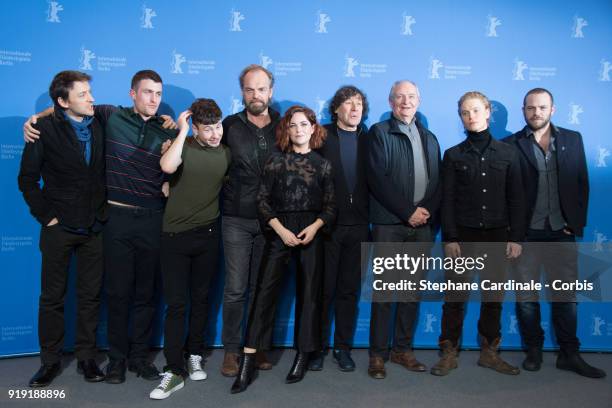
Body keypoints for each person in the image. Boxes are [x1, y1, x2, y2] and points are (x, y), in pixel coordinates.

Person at [231, 105, 336, 393]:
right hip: (279, 231)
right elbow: (262, 201)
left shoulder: (323, 165)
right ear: (286, 130)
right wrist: (280, 230)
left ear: (313, 128)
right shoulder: (275, 162)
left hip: (311, 232)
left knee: (309, 295)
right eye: (293, 125)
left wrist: (314, 228)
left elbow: (330, 206)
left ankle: (304, 354)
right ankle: (248, 359)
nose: (299, 129)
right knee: (263, 293)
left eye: (304, 124)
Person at [504, 88, 606, 378]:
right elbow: (506, 194)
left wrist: (576, 223)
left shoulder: (572, 139)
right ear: (523, 110)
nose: (536, 112)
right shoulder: (510, 144)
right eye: (531, 108)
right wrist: (513, 233)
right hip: (526, 235)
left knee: (566, 298)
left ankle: (569, 354)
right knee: (526, 299)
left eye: (542, 107)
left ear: (553, 109)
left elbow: (581, 183)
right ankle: (533, 350)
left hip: (562, 233)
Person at [18, 70, 107, 387]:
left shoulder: (99, 121)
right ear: (62, 100)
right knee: (52, 298)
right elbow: (27, 180)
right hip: (59, 228)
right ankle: (50, 362)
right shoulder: (42, 129)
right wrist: (48, 218)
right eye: (82, 94)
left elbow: (136, 114)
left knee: (90, 296)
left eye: (89, 92)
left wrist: (166, 123)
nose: (91, 98)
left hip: (94, 226)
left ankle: (87, 359)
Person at [432, 91, 524, 377]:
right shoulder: (453, 155)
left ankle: (489, 352)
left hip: (497, 237)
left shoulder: (509, 154)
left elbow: (517, 199)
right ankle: (449, 352)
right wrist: (450, 238)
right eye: (464, 112)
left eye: (475, 111)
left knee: (493, 297)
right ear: (460, 116)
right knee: (455, 297)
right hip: (463, 239)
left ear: (487, 112)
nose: (470, 117)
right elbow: (446, 200)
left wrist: (515, 238)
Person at [149, 99, 232, 399]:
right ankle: (174, 369)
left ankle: (194, 352)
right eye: (207, 129)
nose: (214, 134)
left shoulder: (226, 154)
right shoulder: (181, 146)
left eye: (218, 127)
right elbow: (167, 166)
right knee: (176, 304)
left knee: (200, 300)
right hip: (174, 237)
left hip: (208, 235)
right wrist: (182, 131)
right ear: (195, 128)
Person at [364, 80, 441, 379]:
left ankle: (402, 350)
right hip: (388, 224)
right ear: (390, 101)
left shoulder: (430, 137)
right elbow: (377, 178)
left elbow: (438, 181)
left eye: (410, 97)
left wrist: (426, 212)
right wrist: (407, 211)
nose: (405, 102)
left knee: (410, 292)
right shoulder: (379, 133)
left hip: (422, 226)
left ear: (419, 101)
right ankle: (377, 355)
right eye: (399, 97)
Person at [220, 64, 279, 376]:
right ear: (242, 92)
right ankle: (231, 351)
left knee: (263, 288)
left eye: (261, 89)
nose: (255, 95)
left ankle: (256, 347)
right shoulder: (229, 125)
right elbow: (202, 147)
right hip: (236, 219)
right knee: (236, 288)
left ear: (271, 91)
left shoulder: (283, 125)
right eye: (249, 89)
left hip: (272, 223)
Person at [309, 85, 369, 372]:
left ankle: (342, 348)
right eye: (348, 103)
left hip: (359, 228)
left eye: (358, 103)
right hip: (327, 227)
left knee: (348, 292)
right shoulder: (321, 136)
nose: (355, 108)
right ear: (336, 109)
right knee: (324, 291)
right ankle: (317, 348)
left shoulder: (370, 139)